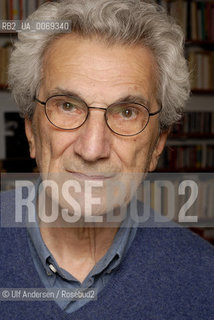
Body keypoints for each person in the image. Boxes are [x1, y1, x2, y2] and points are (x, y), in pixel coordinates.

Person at [1, 0, 214, 319]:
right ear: (31, 131)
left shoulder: (205, 279)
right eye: (68, 106)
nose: (92, 148)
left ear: (158, 144)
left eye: (127, 112)